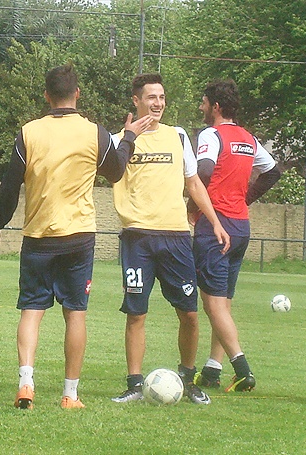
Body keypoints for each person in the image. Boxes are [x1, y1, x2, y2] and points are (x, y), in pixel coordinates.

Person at [0, 64, 152, 409]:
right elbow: (117, 172)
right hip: (78, 236)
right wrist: (129, 136)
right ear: (77, 94)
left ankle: (26, 383)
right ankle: (69, 394)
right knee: (75, 313)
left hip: (38, 236)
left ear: (46, 96)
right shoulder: (94, 132)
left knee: (32, 310)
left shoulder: (28, 132)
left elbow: (9, 186)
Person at [110, 73, 230, 405]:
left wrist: (215, 222)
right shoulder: (118, 139)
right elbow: (103, 172)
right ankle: (135, 383)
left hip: (177, 237)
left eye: (162, 97)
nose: (158, 103)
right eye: (151, 97)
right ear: (136, 101)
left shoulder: (177, 136)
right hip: (138, 239)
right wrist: (127, 138)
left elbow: (194, 184)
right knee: (136, 313)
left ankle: (188, 379)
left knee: (189, 313)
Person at [190, 79, 280, 392]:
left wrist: (193, 205)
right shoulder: (248, 138)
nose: (201, 108)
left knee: (213, 305)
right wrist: (246, 199)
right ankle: (213, 370)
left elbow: (202, 172)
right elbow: (273, 172)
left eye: (203, 103)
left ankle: (242, 368)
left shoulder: (210, 135)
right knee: (223, 303)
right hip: (241, 226)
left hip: (215, 225)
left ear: (215, 106)